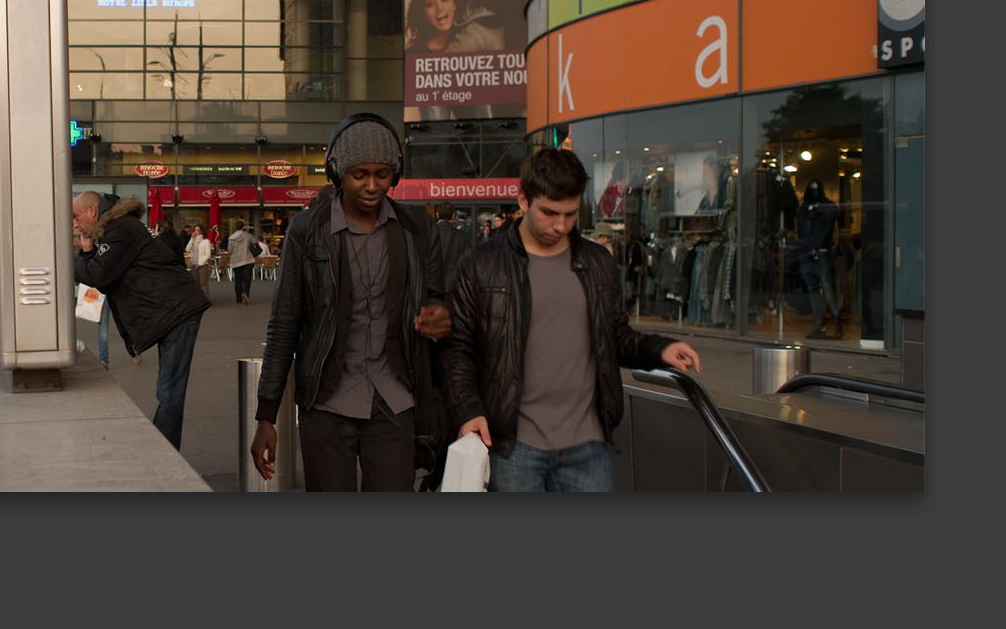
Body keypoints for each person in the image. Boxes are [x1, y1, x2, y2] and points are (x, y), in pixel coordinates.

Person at [445, 146, 703, 492]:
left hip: (588, 445)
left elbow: (616, 338)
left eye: (570, 214)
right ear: (523, 199)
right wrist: (468, 409)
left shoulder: (598, 262)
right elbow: (458, 347)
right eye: (550, 213)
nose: (561, 226)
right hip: (513, 446)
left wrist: (660, 349)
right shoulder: (480, 264)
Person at [250, 113, 453, 492]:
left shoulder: (418, 229)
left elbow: (436, 299)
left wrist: (439, 316)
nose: (373, 185)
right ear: (338, 173)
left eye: (383, 174)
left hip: (395, 400)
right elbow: (285, 323)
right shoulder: (307, 231)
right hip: (326, 404)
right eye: (360, 174)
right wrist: (266, 415)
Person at [72, 191, 211, 450]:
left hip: (177, 311)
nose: (75, 224)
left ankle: (163, 456)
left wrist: (78, 258)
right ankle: (164, 453)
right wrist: (89, 254)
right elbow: (105, 273)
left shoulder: (119, 228)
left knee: (170, 392)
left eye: (76, 216)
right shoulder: (118, 227)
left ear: (92, 211)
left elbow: (100, 275)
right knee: (169, 391)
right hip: (172, 311)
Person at [407, 0, 504, 53]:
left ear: (455, 5)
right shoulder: (414, 52)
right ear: (424, 13)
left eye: (445, 0)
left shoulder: (474, 35)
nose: (439, 7)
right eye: (429, 4)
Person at [797, 178, 842, 339]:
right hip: (808, 254)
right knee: (815, 291)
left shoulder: (827, 209)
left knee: (828, 290)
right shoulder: (804, 209)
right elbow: (802, 231)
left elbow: (827, 230)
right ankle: (819, 323)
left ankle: (836, 322)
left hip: (820, 253)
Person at [226, 219, 257, 305]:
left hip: (236, 261)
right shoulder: (248, 235)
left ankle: (238, 298)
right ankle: (245, 293)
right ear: (243, 227)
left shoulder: (231, 238)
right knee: (247, 279)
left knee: (238, 279)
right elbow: (255, 242)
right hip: (247, 259)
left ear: (235, 227)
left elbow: (229, 250)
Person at [185, 224, 213, 299]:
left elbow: (208, 254)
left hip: (202, 265)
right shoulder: (194, 241)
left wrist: (200, 263)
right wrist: (192, 239)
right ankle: (198, 300)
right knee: (195, 283)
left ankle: (204, 299)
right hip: (194, 264)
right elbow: (187, 249)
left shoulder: (206, 241)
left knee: (203, 283)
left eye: (197, 230)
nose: (195, 231)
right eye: (195, 230)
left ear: (201, 231)